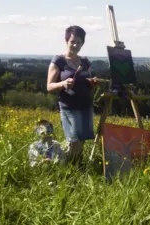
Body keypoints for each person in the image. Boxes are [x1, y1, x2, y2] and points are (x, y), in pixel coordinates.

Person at [47, 25, 98, 166]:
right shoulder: (58, 61)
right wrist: (63, 84)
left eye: (79, 42)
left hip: (85, 105)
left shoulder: (85, 62)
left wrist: (92, 83)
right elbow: (49, 86)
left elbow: (86, 82)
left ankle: (72, 166)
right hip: (69, 107)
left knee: (80, 140)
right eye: (72, 42)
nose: (76, 45)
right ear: (66, 41)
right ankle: (67, 166)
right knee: (74, 140)